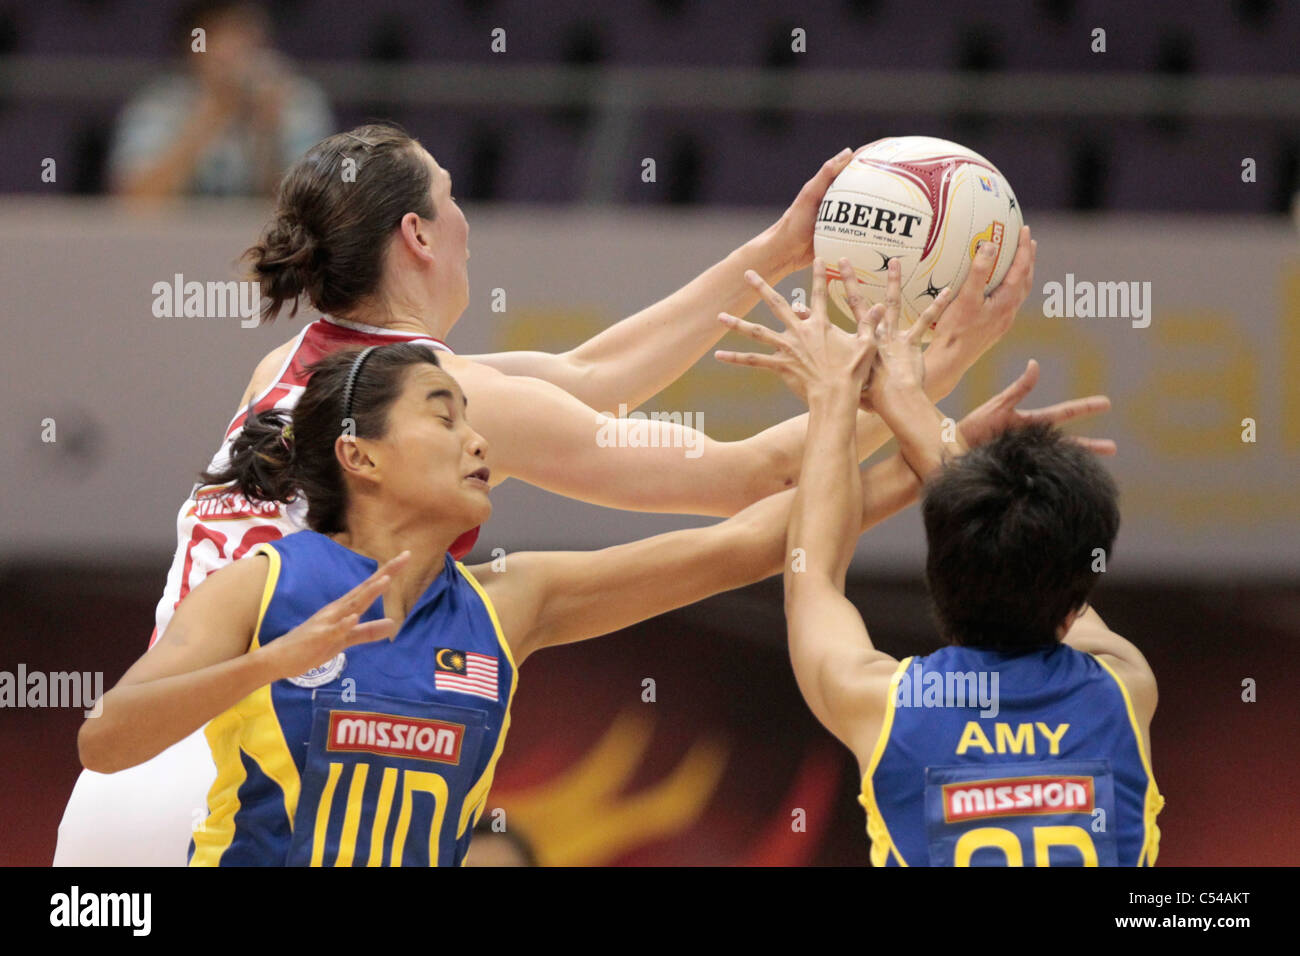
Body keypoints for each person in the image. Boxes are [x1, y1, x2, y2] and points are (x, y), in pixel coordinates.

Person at [56, 122, 1037, 865]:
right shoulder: (463, 403)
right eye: (450, 196)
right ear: (417, 234)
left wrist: (775, 252)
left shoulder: (305, 364)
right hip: (259, 779)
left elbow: (591, 372)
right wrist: (921, 380)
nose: (466, 216)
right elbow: (753, 475)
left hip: (123, 783)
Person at [78, 331, 1100, 866]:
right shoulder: (262, 586)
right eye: (447, 417)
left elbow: (751, 542)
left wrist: (951, 451)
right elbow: (108, 736)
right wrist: (266, 664)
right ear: (362, 456)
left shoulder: (509, 602)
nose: (480, 438)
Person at [721, 255, 1159, 867]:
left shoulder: (883, 704)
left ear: (936, 571)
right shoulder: (1122, 686)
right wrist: (904, 406)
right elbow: (1044, 569)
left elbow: (811, 573)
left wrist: (837, 395)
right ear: (1079, 589)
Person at [109, 1, 333, 198]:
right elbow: (134, 200)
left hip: (268, 242)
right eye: (218, 35)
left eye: (243, 33)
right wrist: (211, 118)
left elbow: (311, 212)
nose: (233, 49)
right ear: (193, 45)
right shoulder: (159, 103)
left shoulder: (295, 100)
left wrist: (269, 136)